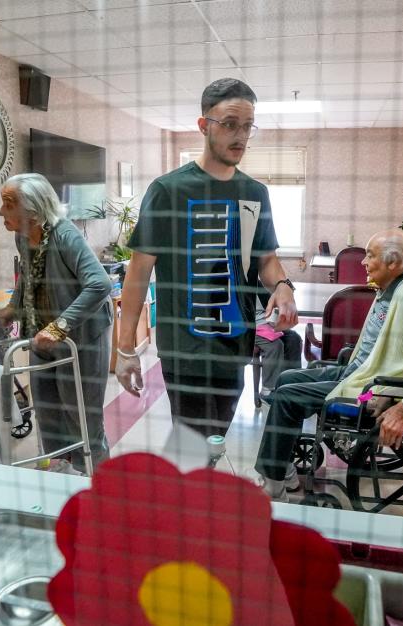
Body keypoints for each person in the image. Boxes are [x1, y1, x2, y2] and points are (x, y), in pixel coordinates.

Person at [115, 78, 299, 438]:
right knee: (194, 446)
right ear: (204, 126)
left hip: (236, 346)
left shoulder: (254, 192)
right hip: (187, 350)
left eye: (247, 126)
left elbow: (266, 260)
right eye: (229, 124)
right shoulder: (168, 190)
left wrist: (282, 284)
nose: (240, 136)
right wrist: (125, 349)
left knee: (212, 442)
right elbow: (138, 274)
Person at [253, 230, 403, 501]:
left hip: (369, 391)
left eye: (370, 255)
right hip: (360, 371)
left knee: (287, 396)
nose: (362, 262)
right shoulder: (392, 287)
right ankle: (284, 468)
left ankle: (273, 487)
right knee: (287, 378)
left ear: (392, 264)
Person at [0, 173, 113, 475]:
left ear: (33, 209)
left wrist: (60, 326)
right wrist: (12, 308)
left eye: (9, 204)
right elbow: (27, 278)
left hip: (80, 338)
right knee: (48, 414)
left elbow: (100, 284)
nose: (0, 211)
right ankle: (63, 476)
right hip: (41, 336)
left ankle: (99, 482)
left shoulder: (65, 235)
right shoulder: (22, 236)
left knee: (82, 415)